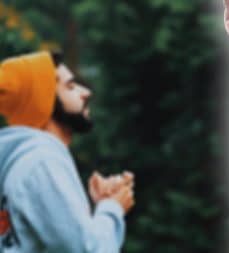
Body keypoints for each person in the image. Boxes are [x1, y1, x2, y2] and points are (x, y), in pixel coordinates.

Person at [0, 51, 135, 252]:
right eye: (70, 87)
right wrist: (112, 209)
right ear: (44, 103)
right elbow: (85, 249)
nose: (85, 92)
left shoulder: (21, 162)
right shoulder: (42, 163)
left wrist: (99, 206)